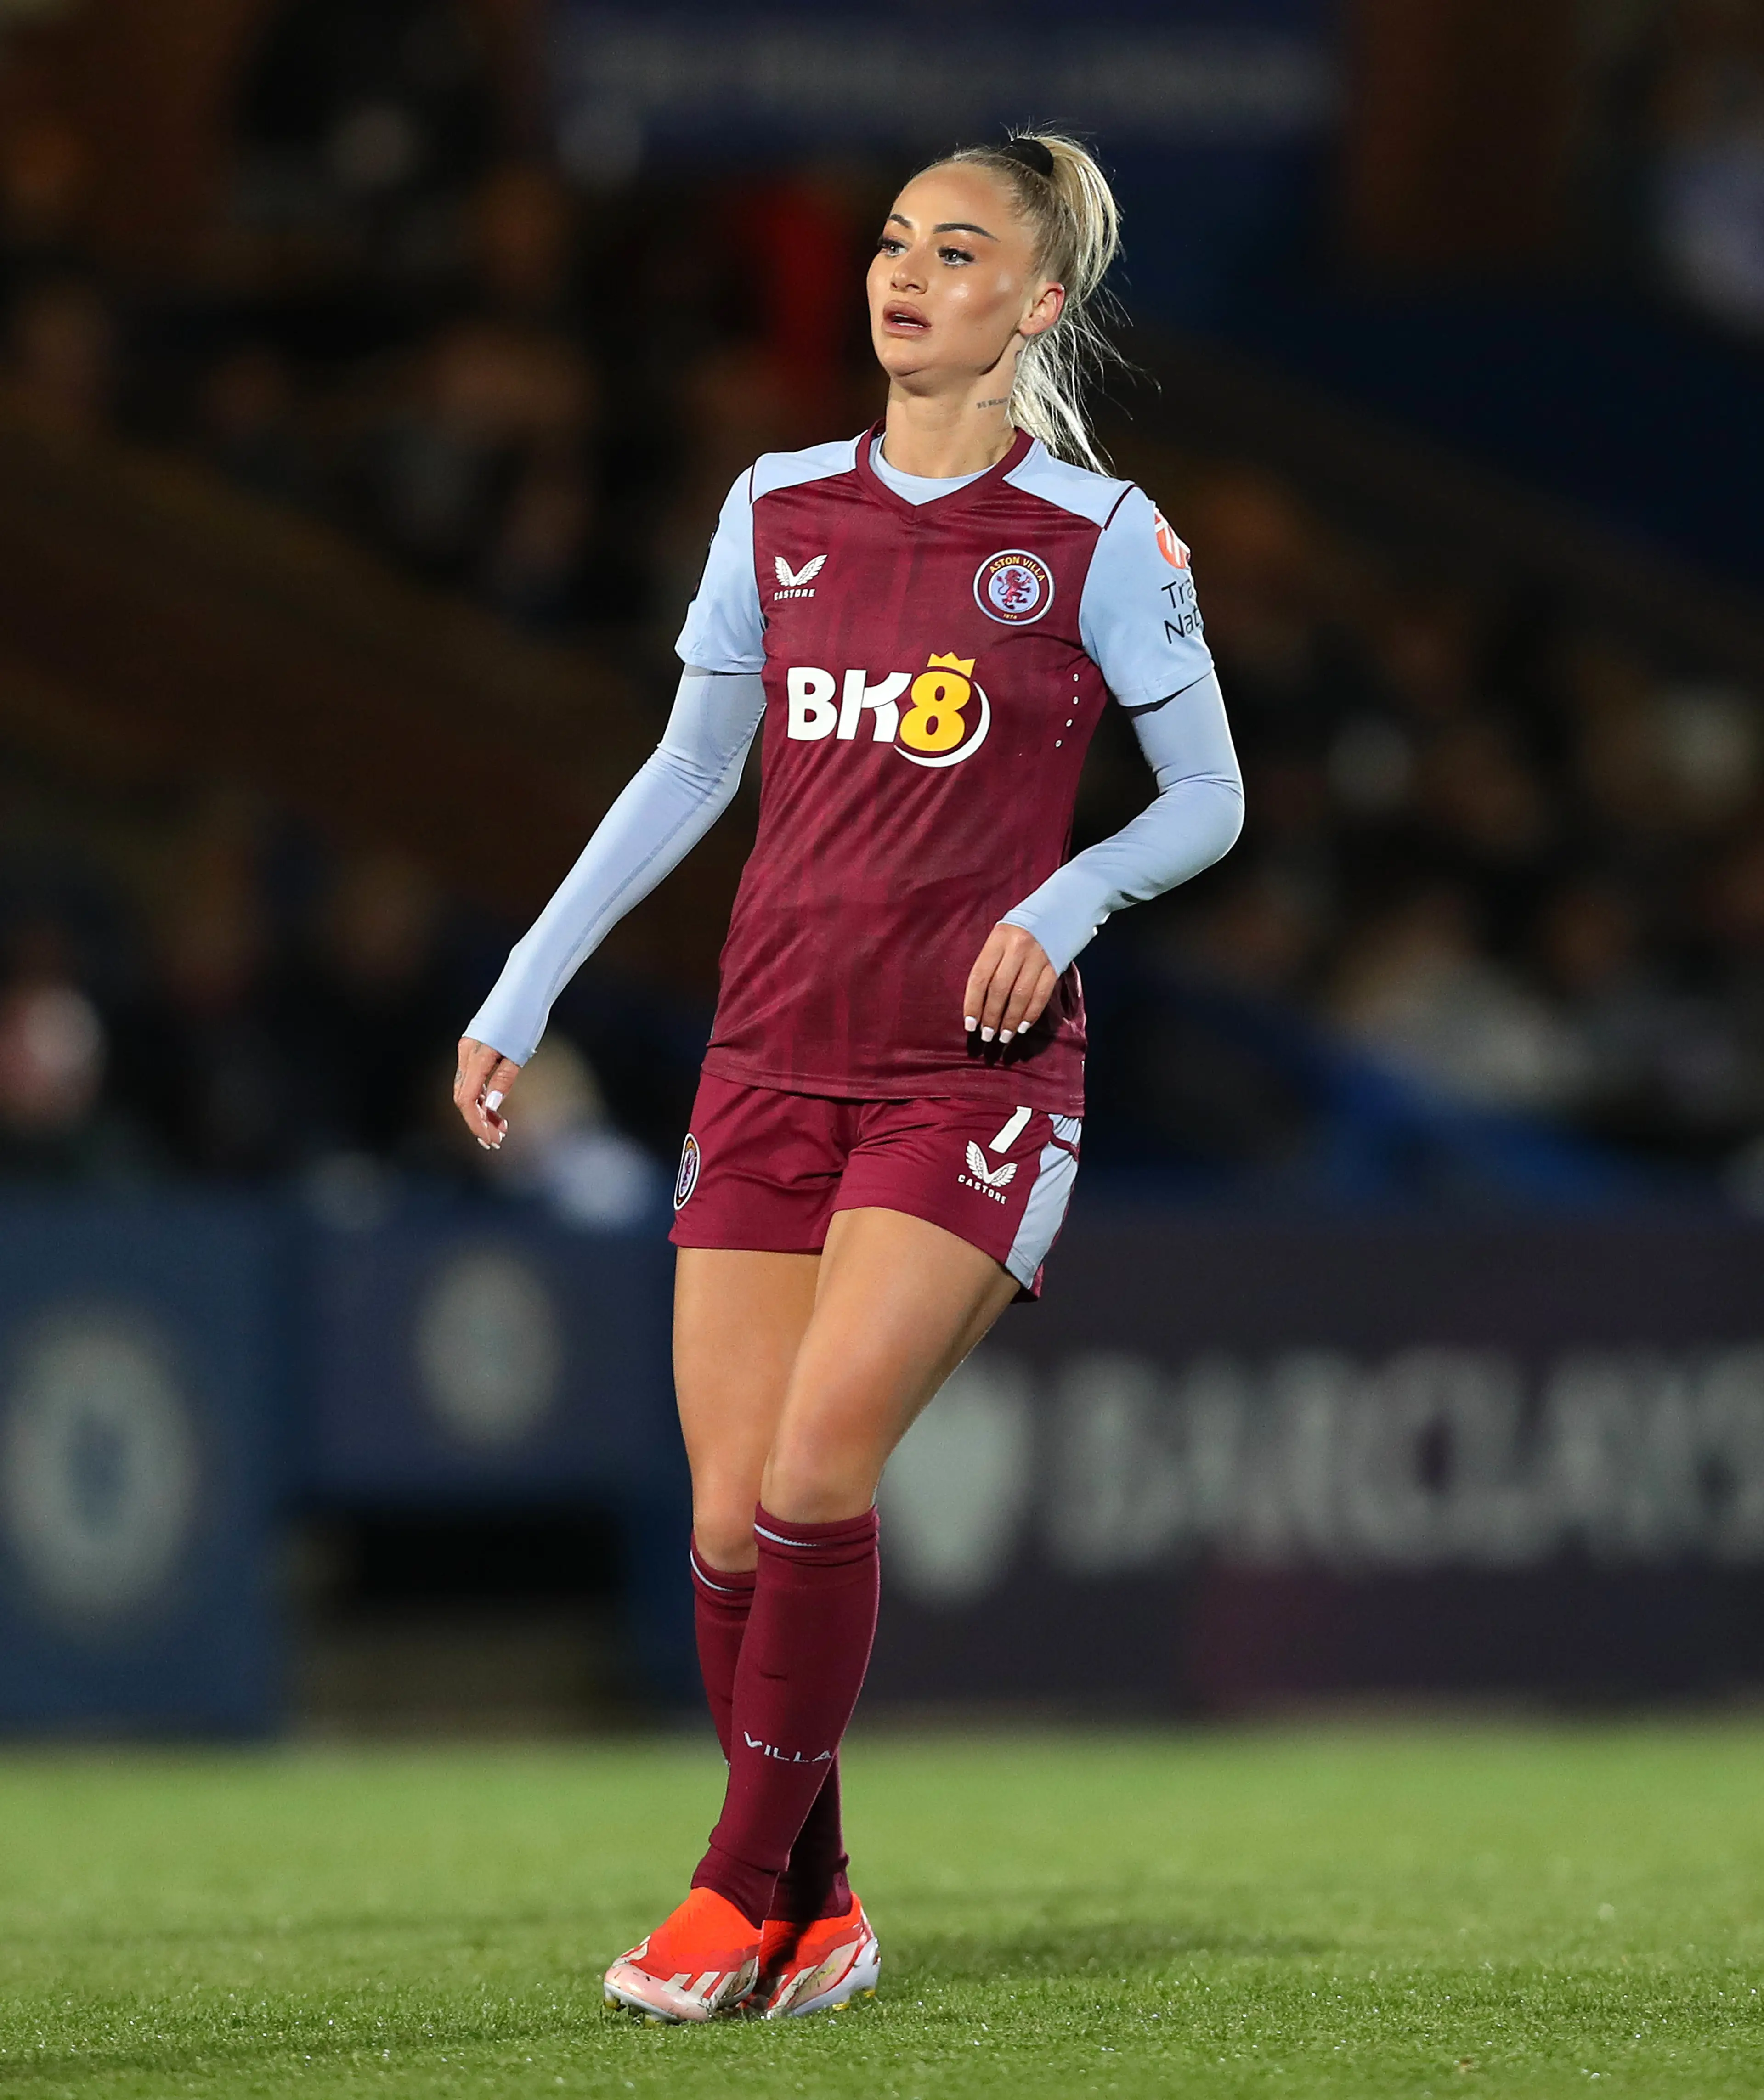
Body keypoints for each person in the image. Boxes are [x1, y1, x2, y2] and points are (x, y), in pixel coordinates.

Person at [452, 132, 1243, 2022]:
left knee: (817, 1470)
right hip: (770, 1060)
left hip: (967, 1081)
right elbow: (684, 775)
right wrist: (520, 988)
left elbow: (1211, 798)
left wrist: (1068, 898)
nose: (905, 274)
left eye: (956, 250)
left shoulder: (1101, 541)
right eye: (894, 242)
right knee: (730, 1520)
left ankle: (732, 1897)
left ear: (1036, 304)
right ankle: (825, 1916)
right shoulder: (778, 509)